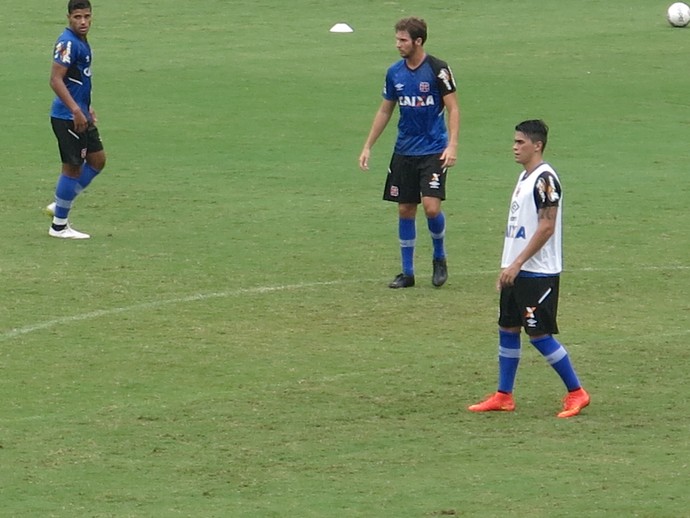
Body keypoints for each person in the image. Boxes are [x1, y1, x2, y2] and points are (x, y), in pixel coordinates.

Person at [468, 120, 590, 418]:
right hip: (515, 269)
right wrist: (508, 264)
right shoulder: (525, 178)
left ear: (537, 145)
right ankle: (503, 395)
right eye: (514, 141)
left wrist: (519, 262)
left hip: (538, 272)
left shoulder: (545, 179)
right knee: (508, 328)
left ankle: (577, 392)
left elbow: (547, 227)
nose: (514, 147)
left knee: (539, 335)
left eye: (520, 142)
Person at [359, 17, 460, 288]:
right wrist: (368, 145)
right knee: (405, 209)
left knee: (430, 207)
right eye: (397, 39)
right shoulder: (394, 73)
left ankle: (439, 257)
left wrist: (452, 145)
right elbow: (385, 109)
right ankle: (408, 273)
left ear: (418, 41)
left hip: (433, 151)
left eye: (403, 40)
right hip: (404, 151)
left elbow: (454, 108)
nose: (398, 45)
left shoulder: (438, 70)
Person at [46, 0, 106, 239]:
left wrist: (86, 107)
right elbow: (55, 80)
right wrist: (75, 110)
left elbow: (79, 79)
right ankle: (59, 226)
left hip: (80, 113)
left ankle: (61, 202)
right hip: (67, 117)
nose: (83, 22)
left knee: (98, 160)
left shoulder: (81, 41)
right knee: (72, 169)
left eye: (87, 17)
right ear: (68, 17)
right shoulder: (67, 43)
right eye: (78, 17)